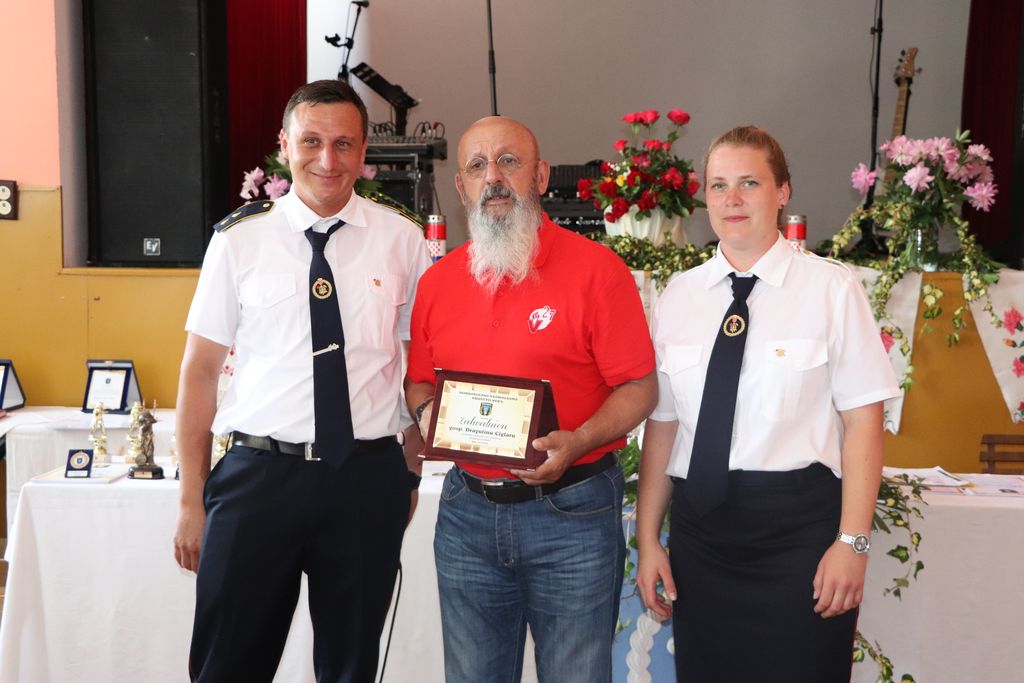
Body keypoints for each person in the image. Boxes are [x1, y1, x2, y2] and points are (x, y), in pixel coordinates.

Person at [173, 79, 431, 683]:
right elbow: (199, 373)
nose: (327, 160)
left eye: (344, 144)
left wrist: (408, 471)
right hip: (258, 478)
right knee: (227, 665)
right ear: (284, 146)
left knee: (349, 667)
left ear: (364, 151)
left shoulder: (402, 239)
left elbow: (420, 365)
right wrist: (189, 498)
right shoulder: (238, 240)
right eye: (311, 141)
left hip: (364, 479)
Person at [636, 125, 900, 682]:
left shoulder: (831, 289)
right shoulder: (679, 296)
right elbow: (664, 427)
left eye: (749, 183)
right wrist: (649, 540)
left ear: (783, 192)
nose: (731, 199)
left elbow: (863, 424)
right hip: (702, 542)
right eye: (718, 185)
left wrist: (852, 542)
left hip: (799, 539)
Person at [403, 116, 658, 683]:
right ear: (461, 188)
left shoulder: (598, 271)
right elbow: (418, 381)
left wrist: (580, 440)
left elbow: (640, 387)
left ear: (540, 176)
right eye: (477, 167)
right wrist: (428, 414)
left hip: (572, 515)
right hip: (466, 514)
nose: (493, 178)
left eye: (508, 162)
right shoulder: (438, 283)